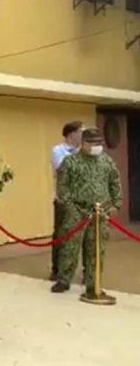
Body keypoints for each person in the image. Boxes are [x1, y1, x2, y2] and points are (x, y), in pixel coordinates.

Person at [52, 128, 122, 299]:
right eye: (92, 143)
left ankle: (93, 283)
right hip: (76, 210)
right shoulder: (71, 162)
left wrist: (116, 204)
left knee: (96, 249)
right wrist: (69, 206)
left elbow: (115, 183)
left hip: (100, 213)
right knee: (69, 247)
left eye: (99, 143)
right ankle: (64, 279)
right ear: (83, 143)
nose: (96, 146)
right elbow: (62, 187)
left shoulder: (106, 162)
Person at [50, 121, 84, 281]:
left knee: (85, 236)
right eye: (80, 132)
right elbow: (64, 170)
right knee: (60, 234)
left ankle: (86, 272)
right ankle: (57, 269)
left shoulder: (84, 152)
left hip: (82, 200)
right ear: (71, 134)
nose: (82, 136)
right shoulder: (58, 150)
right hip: (64, 200)